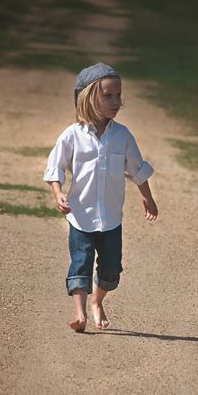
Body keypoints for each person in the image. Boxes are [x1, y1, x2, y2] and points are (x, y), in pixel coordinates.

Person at [43, 62, 158, 333]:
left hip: (110, 220)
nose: (116, 101)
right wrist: (58, 193)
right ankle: (80, 315)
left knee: (110, 273)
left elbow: (138, 169)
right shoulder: (72, 136)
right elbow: (55, 167)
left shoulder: (122, 136)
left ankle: (97, 299)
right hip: (80, 217)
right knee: (80, 263)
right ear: (89, 98)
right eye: (108, 96)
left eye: (118, 95)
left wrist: (148, 198)